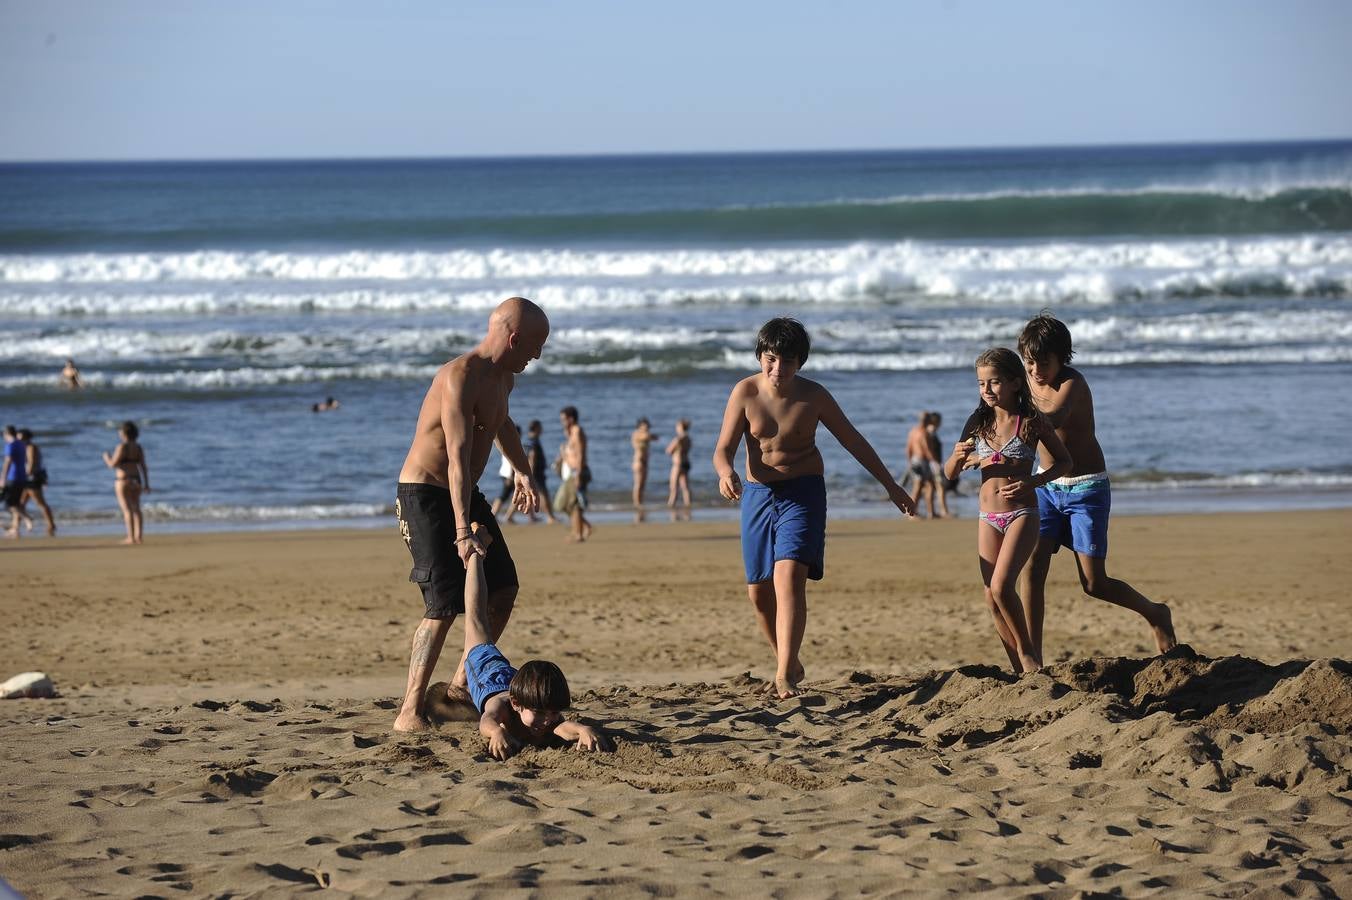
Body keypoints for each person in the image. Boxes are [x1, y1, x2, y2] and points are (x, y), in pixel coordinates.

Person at [713, 318, 917, 700]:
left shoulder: (815, 396)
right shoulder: (744, 392)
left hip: (804, 492)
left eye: (787, 362)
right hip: (758, 494)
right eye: (770, 359)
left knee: (788, 577)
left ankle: (783, 677)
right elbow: (722, 449)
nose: (777, 370)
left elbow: (853, 440)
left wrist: (891, 486)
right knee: (759, 593)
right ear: (760, 356)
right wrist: (725, 473)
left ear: (800, 363)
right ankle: (787, 661)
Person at [392, 297, 549, 733]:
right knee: (442, 604)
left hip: (465, 492)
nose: (537, 356)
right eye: (535, 347)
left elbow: (502, 424)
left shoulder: (504, 379)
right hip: (425, 494)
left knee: (503, 588)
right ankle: (409, 711)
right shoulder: (460, 376)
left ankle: (460, 687)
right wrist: (463, 531)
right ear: (514, 338)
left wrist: (522, 469)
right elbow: (457, 459)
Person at [1017, 313, 1177, 659]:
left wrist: (1018, 423)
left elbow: (1053, 420)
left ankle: (1155, 612)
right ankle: (1033, 659)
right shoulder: (1025, 381)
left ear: (1063, 357)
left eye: (1043, 363)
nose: (1035, 371)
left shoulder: (1072, 384)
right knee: (1032, 566)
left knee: (1094, 584)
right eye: (1028, 363)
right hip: (1045, 484)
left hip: (1086, 489)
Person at [944, 348, 1071, 675]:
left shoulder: (1031, 422)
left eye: (994, 382)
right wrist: (957, 458)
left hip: (1022, 515)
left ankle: (1029, 655)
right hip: (988, 518)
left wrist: (1035, 481)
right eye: (981, 383)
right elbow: (949, 474)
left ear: (1016, 383)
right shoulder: (977, 422)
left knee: (1002, 587)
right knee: (990, 597)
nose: (986, 390)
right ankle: (1019, 669)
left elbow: (1065, 462)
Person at [461, 524, 612, 760]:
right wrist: (497, 734)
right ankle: (475, 556)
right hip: (487, 675)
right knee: (475, 619)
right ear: (516, 704)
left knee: (480, 622)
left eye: (553, 713)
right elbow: (486, 721)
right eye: (541, 713)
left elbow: (562, 728)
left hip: (516, 679)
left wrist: (583, 730)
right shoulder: (502, 707)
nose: (546, 721)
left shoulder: (542, 709)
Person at [101, 420, 150, 545]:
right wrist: (147, 483)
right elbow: (143, 466)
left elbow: (113, 464)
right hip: (136, 479)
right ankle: (138, 536)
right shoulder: (138, 447)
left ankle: (130, 537)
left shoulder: (122, 447)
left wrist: (106, 457)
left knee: (127, 509)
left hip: (123, 480)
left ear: (124, 433)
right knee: (137, 509)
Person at [555, 406, 592, 543]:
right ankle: (582, 529)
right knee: (568, 505)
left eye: (564, 419)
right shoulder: (571, 432)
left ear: (571, 418)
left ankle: (578, 533)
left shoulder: (577, 431)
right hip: (572, 473)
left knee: (571, 505)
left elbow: (581, 454)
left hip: (577, 472)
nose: (562, 422)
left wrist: (578, 474)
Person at [18, 429, 55, 536]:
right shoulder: (26, 447)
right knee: (20, 504)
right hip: (28, 479)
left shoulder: (31, 448)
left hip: (31, 479)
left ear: (26, 438)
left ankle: (51, 525)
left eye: (20, 438)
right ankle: (15, 526)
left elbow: (31, 464)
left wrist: (23, 476)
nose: (18, 440)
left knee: (40, 503)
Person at [901, 411, 938, 518]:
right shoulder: (924, 433)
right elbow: (927, 449)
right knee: (925, 486)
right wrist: (934, 461)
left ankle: (925, 512)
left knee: (921, 486)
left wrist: (909, 462)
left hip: (914, 460)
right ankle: (914, 512)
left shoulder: (913, 431)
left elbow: (908, 448)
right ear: (927, 420)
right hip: (922, 461)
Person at [2, 425, 34, 538]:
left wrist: (3, 478)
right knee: (14, 503)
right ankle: (13, 527)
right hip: (22, 477)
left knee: (9, 504)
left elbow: (8, 462)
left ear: (6, 434)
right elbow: (26, 460)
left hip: (13, 477)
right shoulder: (21, 444)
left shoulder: (10, 445)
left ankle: (26, 518)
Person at [524, 420, 556, 524]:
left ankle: (532, 517)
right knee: (543, 494)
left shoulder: (528, 440)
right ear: (536, 428)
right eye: (540, 427)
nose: (542, 429)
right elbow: (532, 457)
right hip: (536, 472)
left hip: (534, 472)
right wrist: (531, 473)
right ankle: (550, 517)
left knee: (532, 493)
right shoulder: (533, 441)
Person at [490, 425, 522, 521]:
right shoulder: (514, 444)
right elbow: (512, 461)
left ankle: (505, 516)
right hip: (509, 474)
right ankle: (503, 516)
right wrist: (512, 475)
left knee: (508, 495)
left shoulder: (506, 442)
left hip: (504, 473)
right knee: (506, 495)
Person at [927, 412, 957, 514]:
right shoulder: (931, 432)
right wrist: (936, 463)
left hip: (932, 463)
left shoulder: (930, 432)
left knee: (931, 487)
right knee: (940, 487)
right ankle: (944, 511)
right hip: (934, 464)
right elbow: (930, 449)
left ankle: (932, 512)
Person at [630, 417, 657, 521]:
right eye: (644, 425)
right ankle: (636, 503)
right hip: (638, 461)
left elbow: (653, 437)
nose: (646, 427)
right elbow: (647, 436)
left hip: (645, 462)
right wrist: (650, 435)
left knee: (643, 484)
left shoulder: (646, 434)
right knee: (638, 483)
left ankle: (640, 501)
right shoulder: (637, 433)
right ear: (640, 426)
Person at [665, 418, 692, 521]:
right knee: (685, 487)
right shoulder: (688, 439)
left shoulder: (679, 439)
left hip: (678, 464)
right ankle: (688, 504)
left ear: (680, 427)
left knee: (674, 487)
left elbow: (669, 450)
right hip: (686, 462)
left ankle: (671, 505)